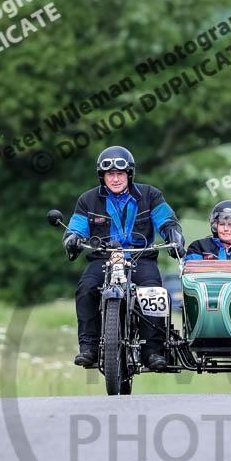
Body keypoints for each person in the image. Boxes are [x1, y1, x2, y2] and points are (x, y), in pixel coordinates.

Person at [63, 146, 185, 371]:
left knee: (153, 292)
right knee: (86, 288)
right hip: (104, 258)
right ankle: (88, 347)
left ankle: (153, 351)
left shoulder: (151, 195)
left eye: (120, 173)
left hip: (141, 257)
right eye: (110, 174)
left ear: (129, 174)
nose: (116, 179)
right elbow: (76, 228)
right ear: (102, 176)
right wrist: (72, 239)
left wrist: (174, 237)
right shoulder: (87, 200)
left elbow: (167, 221)